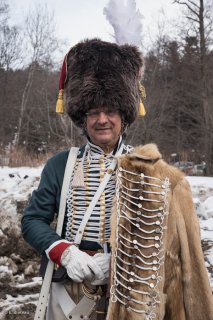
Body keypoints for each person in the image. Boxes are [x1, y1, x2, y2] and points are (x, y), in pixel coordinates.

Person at [21, 38, 213, 320]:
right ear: (82, 118)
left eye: (110, 110)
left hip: (128, 295)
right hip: (69, 294)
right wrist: (64, 253)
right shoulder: (61, 164)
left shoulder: (149, 170)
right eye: (93, 112)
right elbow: (32, 221)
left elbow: (168, 243)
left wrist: (120, 261)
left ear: (123, 116)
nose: (102, 120)